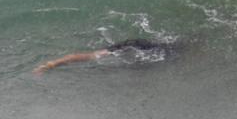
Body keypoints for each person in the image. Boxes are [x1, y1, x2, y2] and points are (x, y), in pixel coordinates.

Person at [34, 38, 167, 73]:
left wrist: (51, 65)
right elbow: (76, 57)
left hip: (136, 45)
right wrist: (51, 65)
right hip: (135, 45)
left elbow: (76, 57)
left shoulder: (115, 50)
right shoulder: (118, 50)